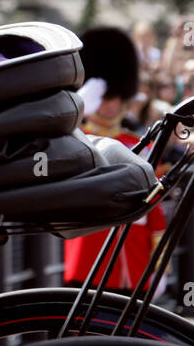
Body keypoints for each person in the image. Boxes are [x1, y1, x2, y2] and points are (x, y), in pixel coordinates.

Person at [65, 27, 166, 291]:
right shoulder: (76, 137)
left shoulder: (138, 143)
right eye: (106, 98)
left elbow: (153, 200)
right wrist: (77, 107)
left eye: (117, 98)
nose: (112, 105)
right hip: (89, 252)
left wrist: (159, 263)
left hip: (134, 257)